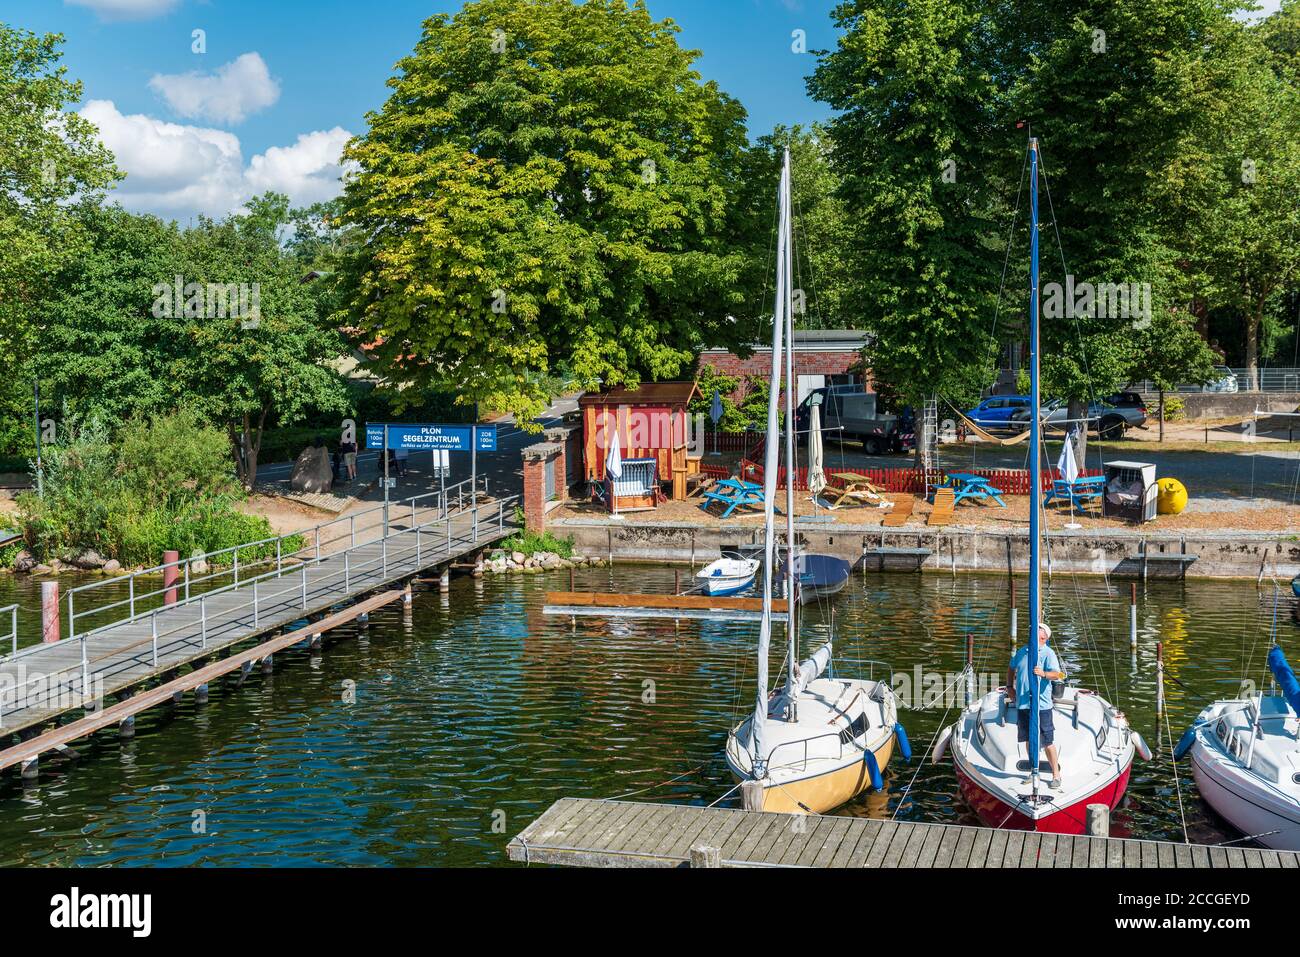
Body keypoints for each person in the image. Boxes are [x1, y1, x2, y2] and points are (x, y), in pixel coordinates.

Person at [1008, 622, 1065, 789]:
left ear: (1043, 638)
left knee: (1047, 741)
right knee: (1028, 738)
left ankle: (1056, 774)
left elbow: (1058, 674)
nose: (1031, 635)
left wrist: (1044, 674)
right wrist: (1009, 687)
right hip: (1024, 704)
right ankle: (1034, 771)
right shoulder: (1022, 652)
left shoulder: (1048, 653)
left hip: (1042, 705)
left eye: (1036, 633)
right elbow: (1011, 667)